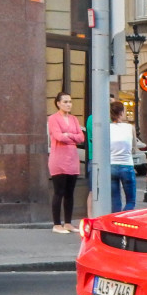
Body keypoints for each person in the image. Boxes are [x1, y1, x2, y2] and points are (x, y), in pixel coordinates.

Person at [46, 91, 85, 233]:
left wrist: (68, 135)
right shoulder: (53, 119)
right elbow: (58, 136)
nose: (69, 104)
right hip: (59, 158)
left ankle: (68, 222)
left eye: (70, 101)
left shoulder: (74, 119)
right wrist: (70, 137)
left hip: (72, 158)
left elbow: (81, 138)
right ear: (58, 103)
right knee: (59, 192)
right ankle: (57, 224)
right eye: (65, 102)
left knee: (70, 192)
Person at [108, 100, 141, 212]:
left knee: (115, 199)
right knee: (131, 201)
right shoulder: (129, 127)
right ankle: (124, 218)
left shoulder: (107, 128)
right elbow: (134, 148)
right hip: (127, 165)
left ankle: (116, 221)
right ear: (122, 112)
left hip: (111, 165)